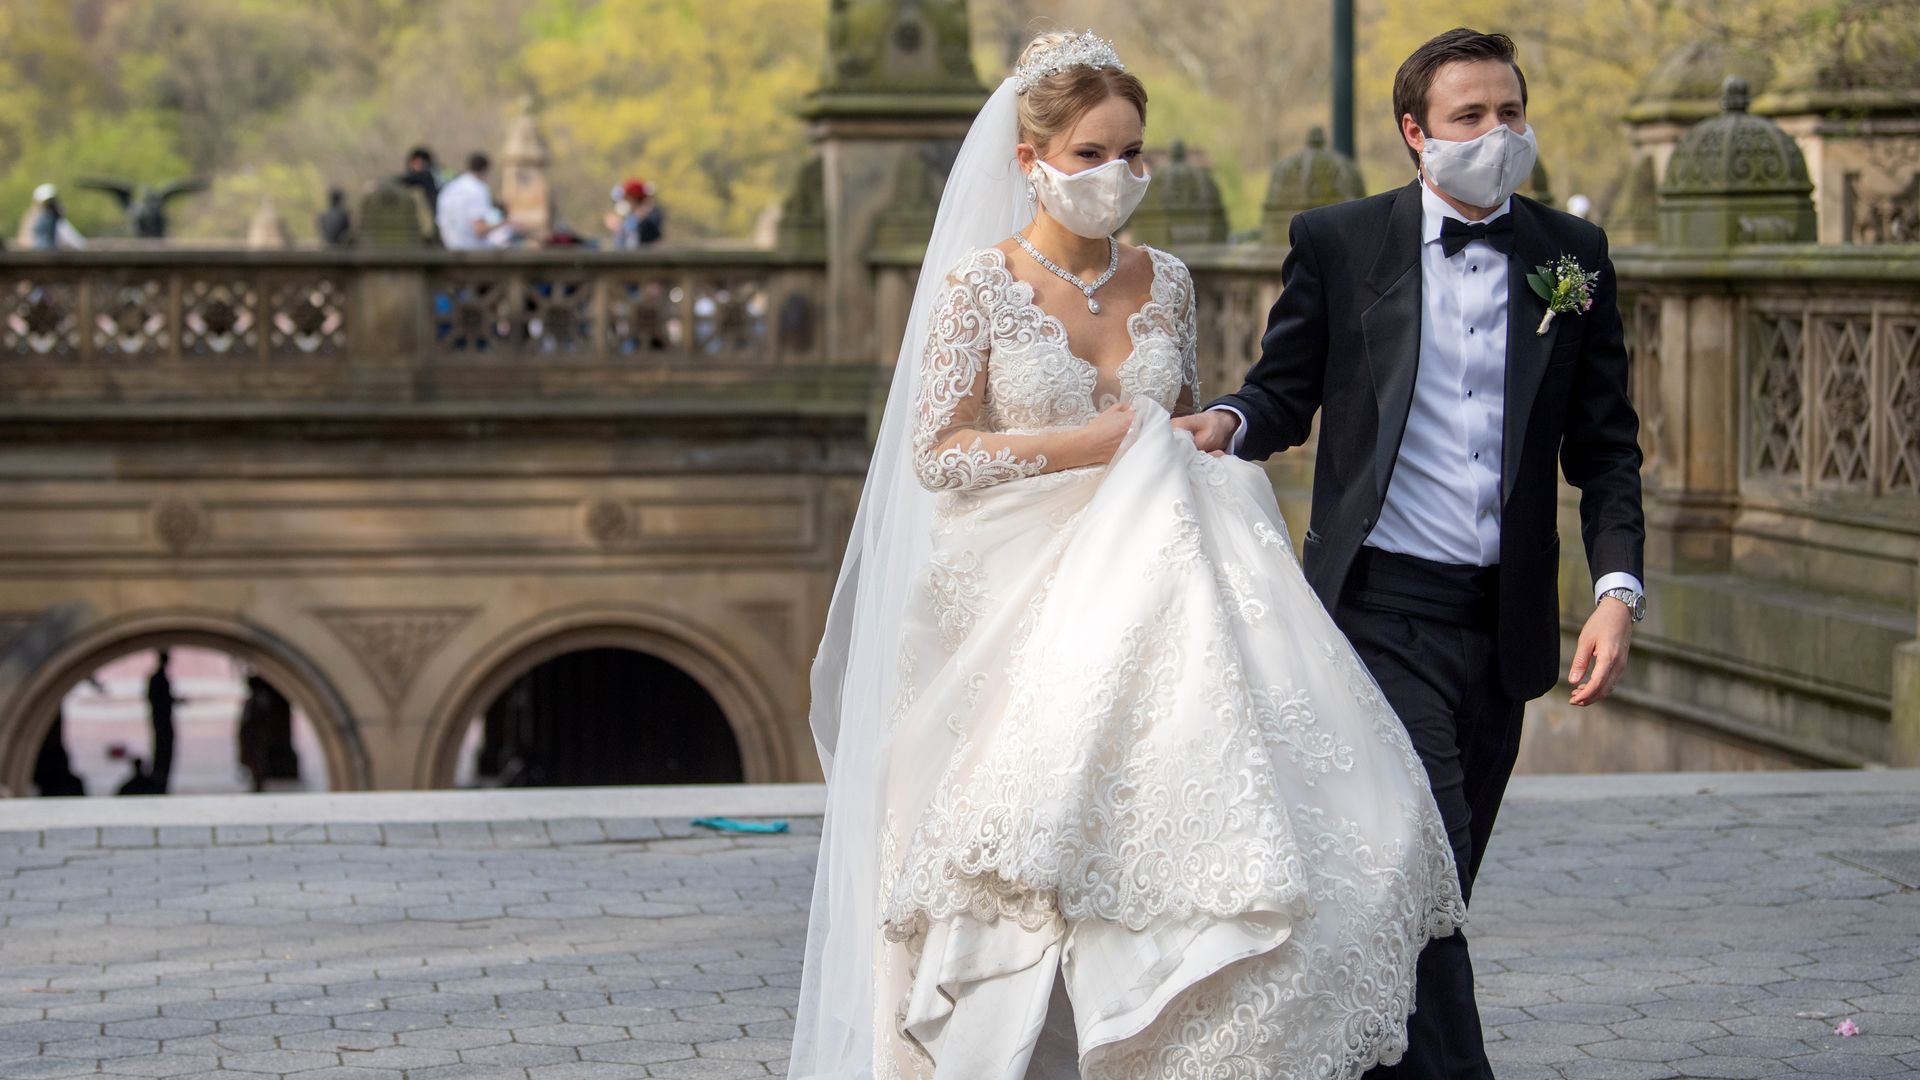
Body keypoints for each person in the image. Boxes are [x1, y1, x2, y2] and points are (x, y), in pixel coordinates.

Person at [793, 30, 1463, 1080]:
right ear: (1031, 159)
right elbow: (936, 451)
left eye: (1133, 153)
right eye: (1093, 152)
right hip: (1020, 583)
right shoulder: (981, 286)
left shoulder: (1170, 280)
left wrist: (1189, 435)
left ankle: (1176, 1031)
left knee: (1220, 795)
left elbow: (1186, 416)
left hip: (1163, 569)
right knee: (1027, 845)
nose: (1119, 175)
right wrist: (1083, 442)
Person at [1179, 28, 1645, 1080]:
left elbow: (1606, 448)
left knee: (1431, 897)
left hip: (1505, 624)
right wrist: (1226, 422)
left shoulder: (1574, 258)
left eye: (1510, 113)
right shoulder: (1344, 243)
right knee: (1419, 878)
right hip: (1377, 616)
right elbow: (1284, 390)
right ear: (1414, 135)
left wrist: (1616, 588)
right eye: (1469, 117)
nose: (1495, 134)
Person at [435, 153, 494, 251]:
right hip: (474, 254)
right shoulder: (478, 189)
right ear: (484, 170)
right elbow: (479, 229)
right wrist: (507, 223)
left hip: (450, 250)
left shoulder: (449, 188)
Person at [146, 649, 177, 794]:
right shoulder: (158, 678)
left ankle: (160, 783)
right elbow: (157, 700)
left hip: (161, 721)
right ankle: (159, 784)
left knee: (163, 753)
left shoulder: (158, 678)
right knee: (163, 752)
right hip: (162, 722)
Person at [27, 184, 86, 251]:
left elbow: (68, 235)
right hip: (44, 252)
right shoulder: (46, 217)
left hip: (47, 252)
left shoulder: (52, 218)